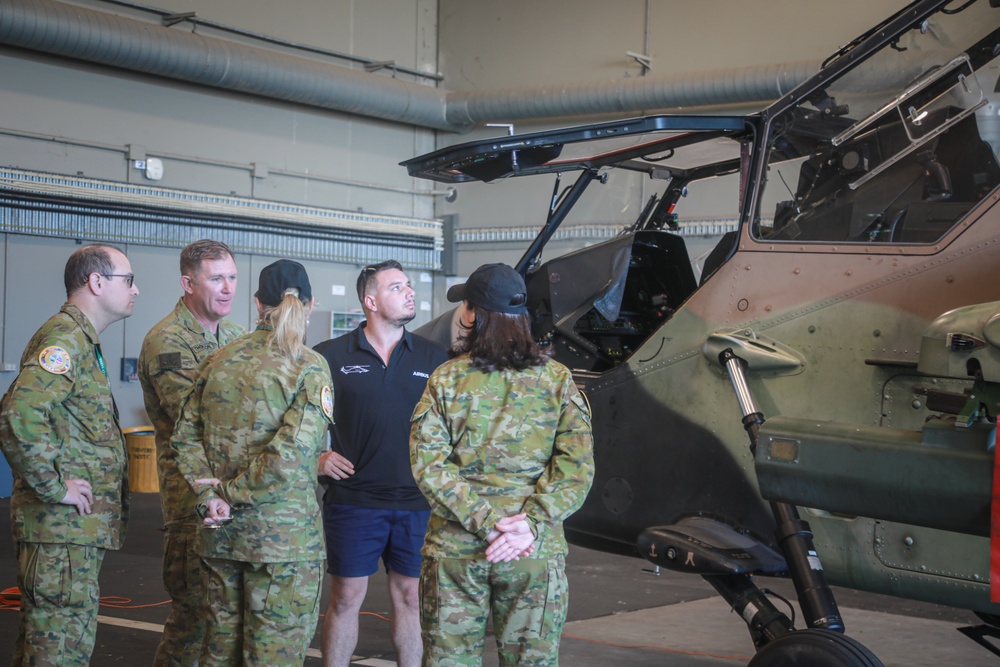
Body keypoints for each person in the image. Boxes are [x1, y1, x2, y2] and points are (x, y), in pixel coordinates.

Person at [410, 262, 595, 667]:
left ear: (472, 314)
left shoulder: (445, 379)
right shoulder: (558, 380)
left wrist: (483, 521)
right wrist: (527, 524)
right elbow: (576, 468)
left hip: (456, 551)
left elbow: (429, 465)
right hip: (532, 550)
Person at [169, 259, 333, 666]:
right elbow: (291, 453)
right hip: (283, 546)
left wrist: (212, 495)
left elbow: (184, 436)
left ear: (258, 305)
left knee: (218, 654)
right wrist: (234, 494)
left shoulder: (218, 360)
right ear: (309, 305)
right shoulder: (308, 366)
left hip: (219, 534)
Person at [0, 243, 139, 665]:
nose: (136, 290)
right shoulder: (65, 338)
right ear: (96, 282)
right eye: (128, 280)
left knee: (62, 641)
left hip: (71, 533)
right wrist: (54, 486)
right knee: (56, 646)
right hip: (59, 529)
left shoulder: (80, 339)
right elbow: (18, 413)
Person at [313, 260, 447, 667]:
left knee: (410, 597)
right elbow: (302, 420)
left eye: (409, 285)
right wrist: (317, 456)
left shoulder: (435, 357)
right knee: (345, 598)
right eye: (396, 288)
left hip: (417, 503)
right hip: (354, 501)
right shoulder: (329, 357)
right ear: (370, 301)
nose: (410, 293)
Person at [138, 239, 245, 666]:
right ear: (187, 283)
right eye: (216, 278)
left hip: (235, 494)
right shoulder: (167, 341)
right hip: (192, 498)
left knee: (227, 619)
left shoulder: (238, 337)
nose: (227, 288)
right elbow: (196, 421)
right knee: (194, 619)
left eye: (233, 278)